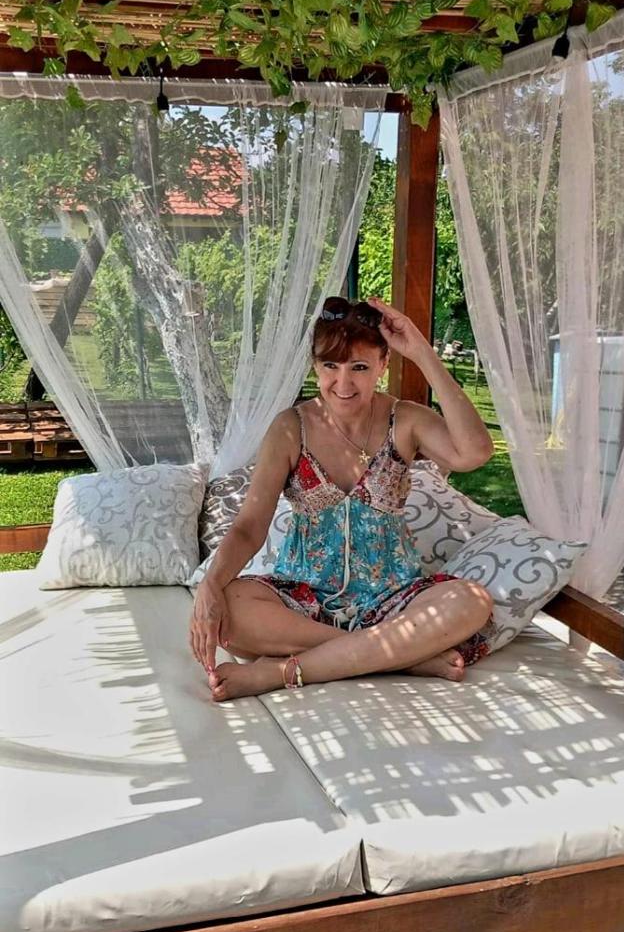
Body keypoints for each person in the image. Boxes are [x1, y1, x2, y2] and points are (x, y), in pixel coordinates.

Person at [190, 295, 495, 702]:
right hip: (301, 598)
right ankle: (402, 656)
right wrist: (210, 586)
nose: (343, 383)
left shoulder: (405, 420)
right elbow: (248, 528)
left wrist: (423, 353)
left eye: (360, 367)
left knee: (472, 601)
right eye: (330, 366)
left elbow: (475, 452)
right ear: (315, 365)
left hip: (393, 598)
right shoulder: (290, 428)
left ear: (384, 364)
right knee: (231, 609)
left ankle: (281, 671)